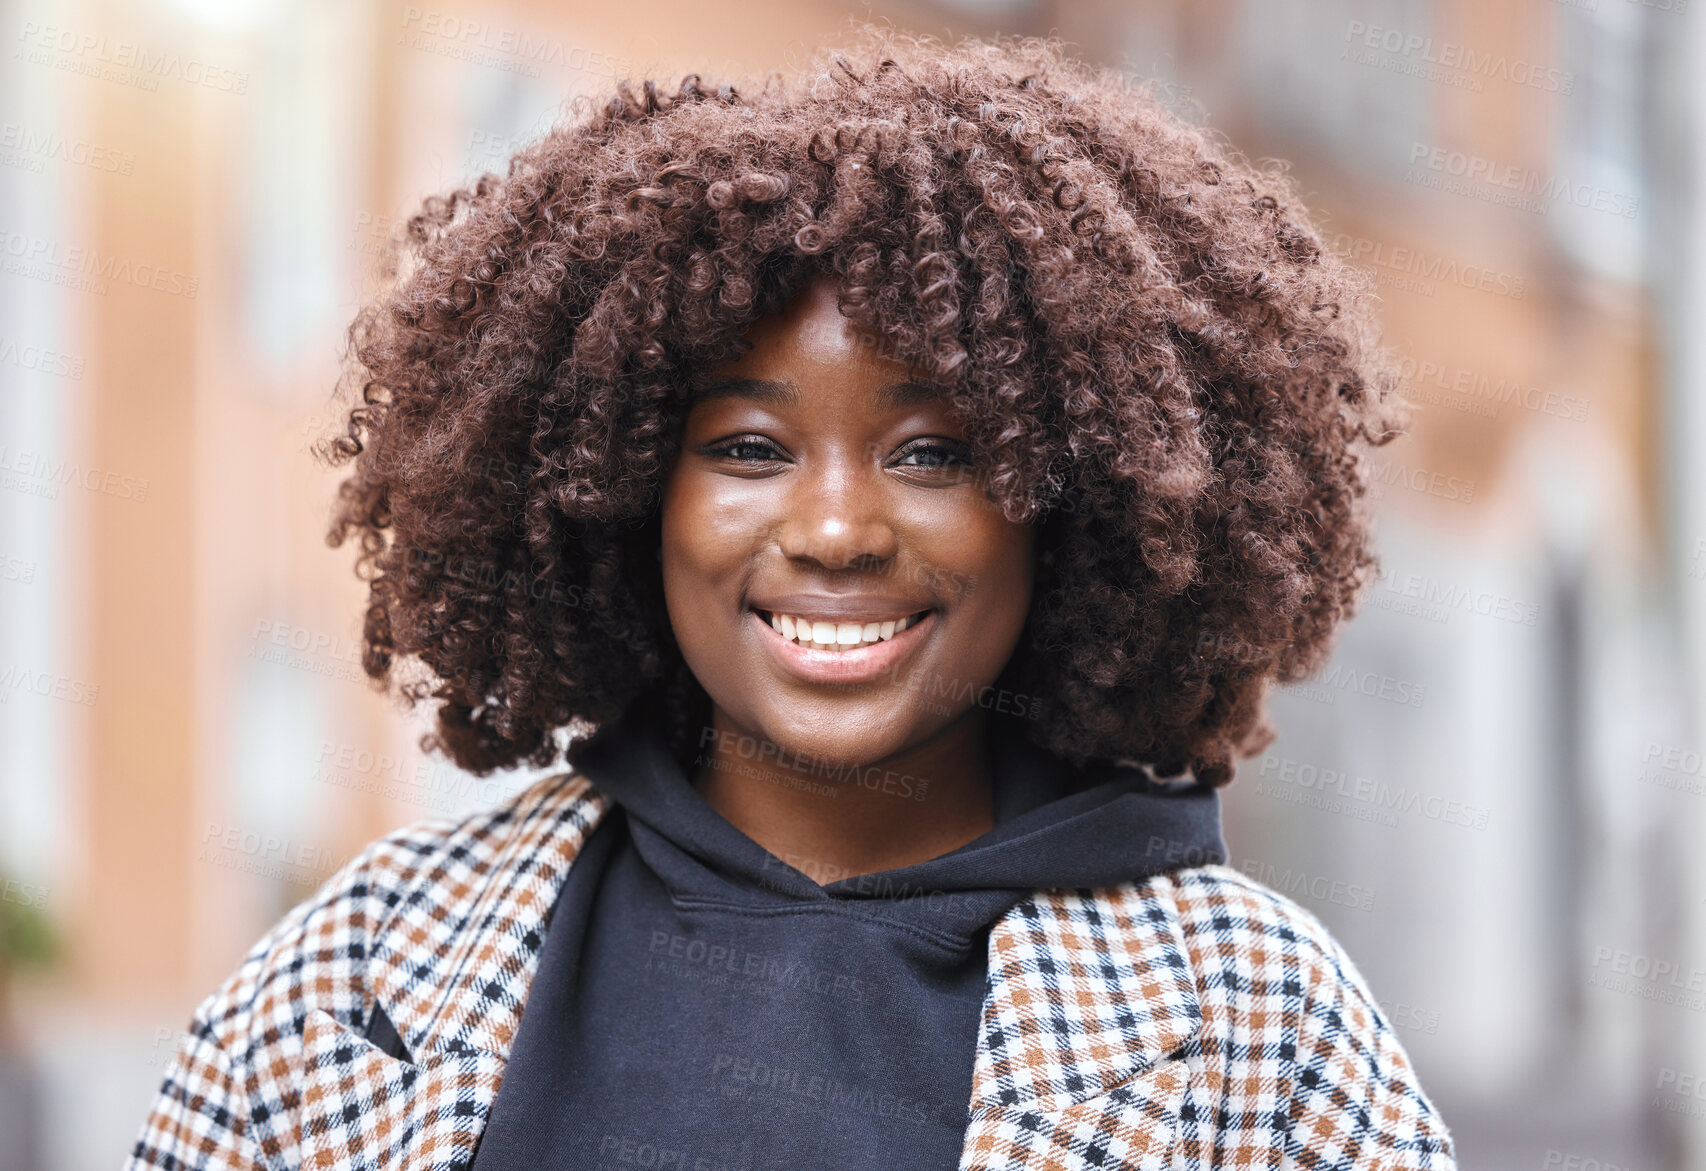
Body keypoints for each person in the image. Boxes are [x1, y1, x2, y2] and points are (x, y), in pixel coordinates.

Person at [130, 26, 1455, 1171]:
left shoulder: (1253, 1014)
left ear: (1073, 504)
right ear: (620, 490)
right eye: (748, 451)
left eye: (933, 453)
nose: (832, 530)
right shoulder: (363, 971)